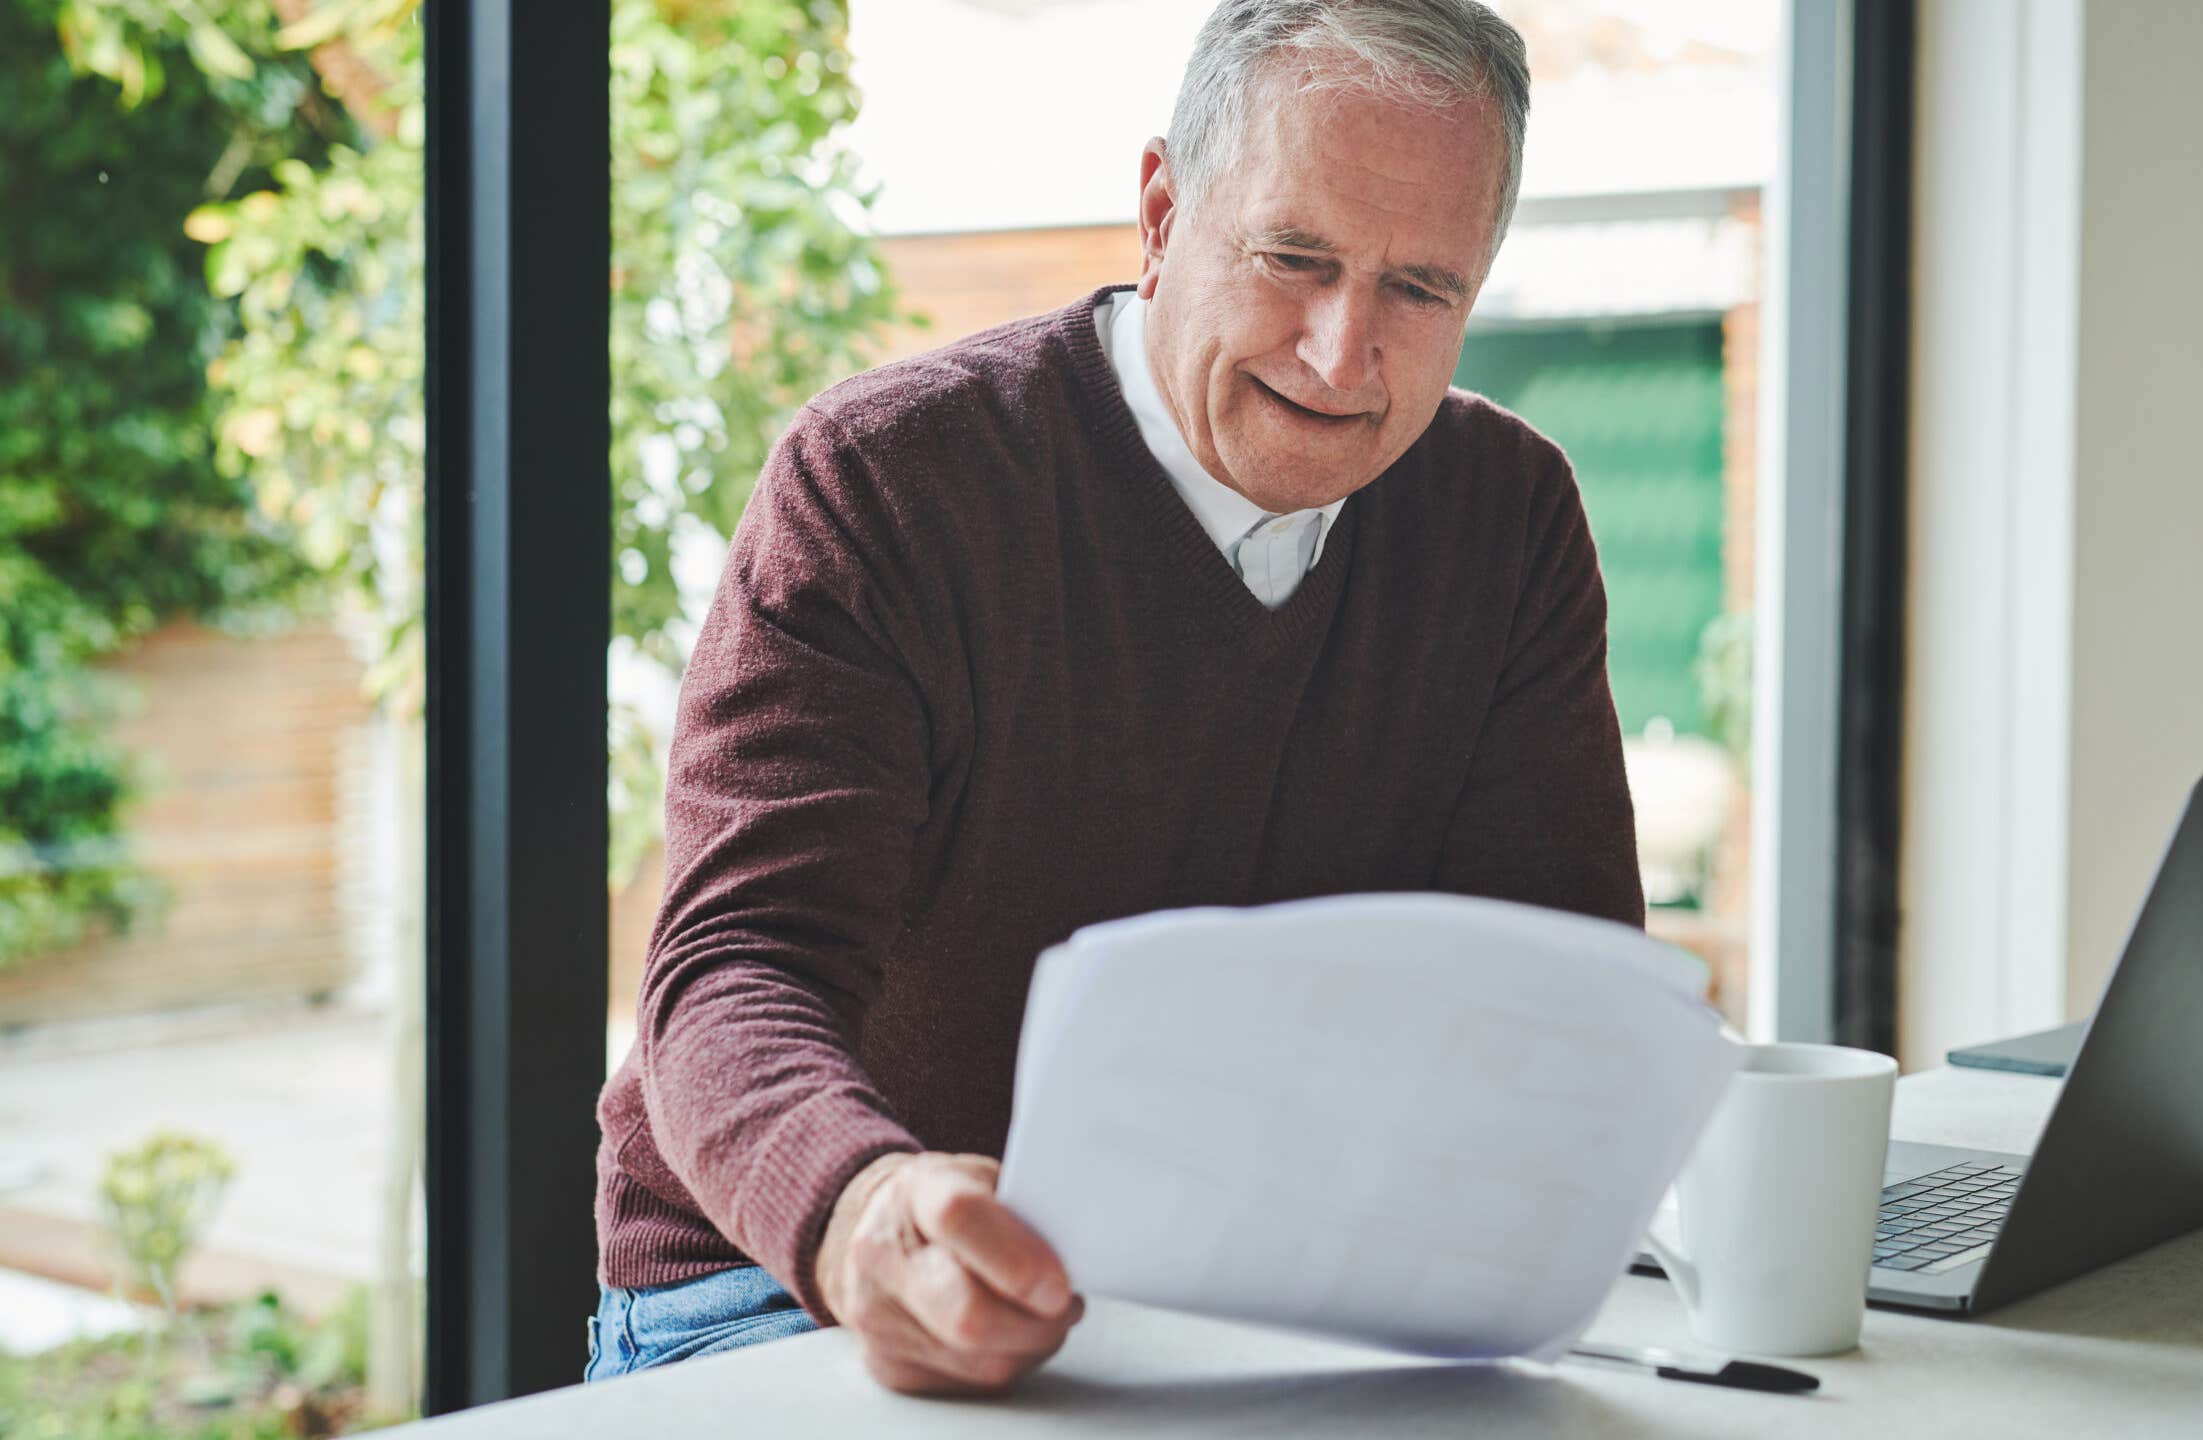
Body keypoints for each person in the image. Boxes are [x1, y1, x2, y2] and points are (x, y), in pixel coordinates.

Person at [585, 0, 1642, 1395]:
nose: (1341, 351)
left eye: (1420, 290)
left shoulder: (1504, 518)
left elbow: (1559, 988)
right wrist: (857, 1209)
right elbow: (733, 968)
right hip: (796, 1273)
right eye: (1293, 258)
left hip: (1271, 1291)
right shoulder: (887, 480)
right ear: (1160, 213)